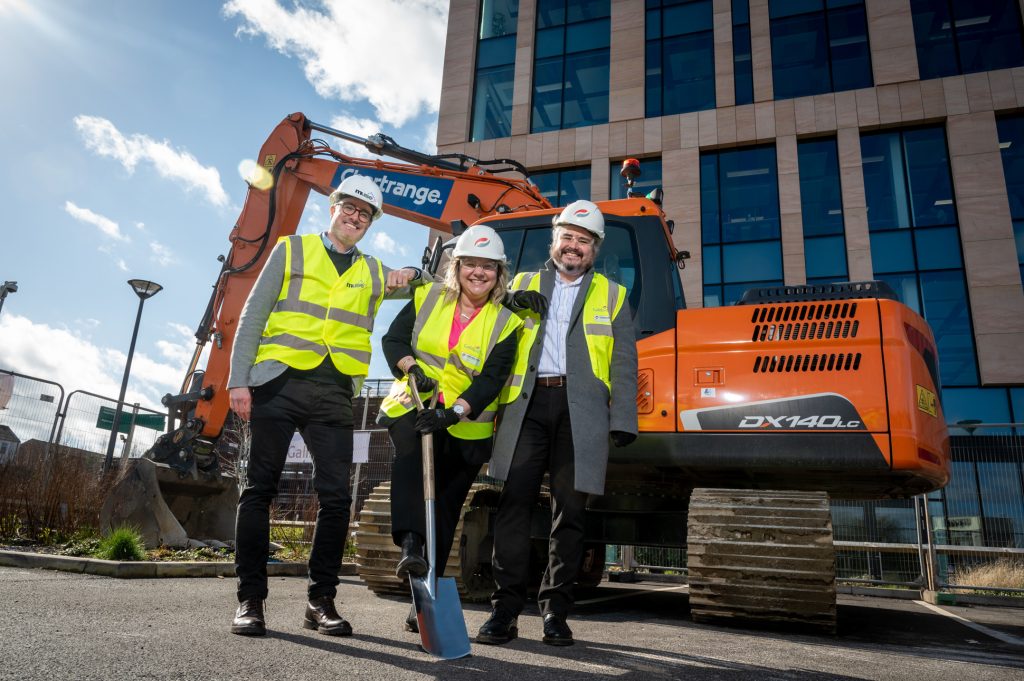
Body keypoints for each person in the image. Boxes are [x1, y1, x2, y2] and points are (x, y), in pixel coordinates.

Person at [227, 174, 425, 637]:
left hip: (335, 392)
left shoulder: (374, 271)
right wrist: (239, 381)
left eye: (364, 215)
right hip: (278, 381)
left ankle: (320, 601)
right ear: (332, 208)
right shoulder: (291, 249)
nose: (354, 218)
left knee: (336, 498)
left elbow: (433, 282)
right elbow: (254, 313)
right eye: (349, 208)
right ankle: (250, 601)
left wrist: (412, 274)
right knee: (260, 490)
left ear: (370, 224)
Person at [476, 200, 638, 647]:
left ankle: (555, 613)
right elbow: (483, 315)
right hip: (526, 407)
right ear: (555, 240)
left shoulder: (613, 293)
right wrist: (506, 299)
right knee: (513, 505)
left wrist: (623, 417)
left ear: (595, 249)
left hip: (580, 412)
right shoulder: (523, 281)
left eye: (583, 240)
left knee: (570, 513)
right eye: (567, 236)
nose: (574, 246)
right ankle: (504, 611)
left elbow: (625, 360)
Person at [378, 224, 545, 632]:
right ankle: (411, 545)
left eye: (488, 266)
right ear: (457, 266)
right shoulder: (428, 296)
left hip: (466, 426)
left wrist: (454, 412)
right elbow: (393, 340)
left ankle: (424, 594)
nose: (478, 272)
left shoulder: (507, 322)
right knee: (411, 457)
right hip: (414, 406)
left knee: (447, 511)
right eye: (470, 263)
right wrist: (413, 369)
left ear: (499, 273)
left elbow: (492, 379)